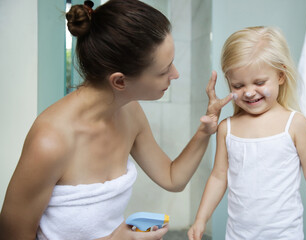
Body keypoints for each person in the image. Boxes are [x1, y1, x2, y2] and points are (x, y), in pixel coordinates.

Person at [0, 1, 232, 239]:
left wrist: (205, 130)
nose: (175, 74)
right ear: (120, 81)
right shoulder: (50, 142)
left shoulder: (130, 112)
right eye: (164, 70)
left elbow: (172, 178)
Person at [187, 26, 306, 240]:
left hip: (285, 235)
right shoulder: (227, 128)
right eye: (238, 85)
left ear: (280, 76)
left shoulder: (294, 124)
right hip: (237, 235)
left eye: (259, 82)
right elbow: (219, 177)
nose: (249, 92)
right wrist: (201, 219)